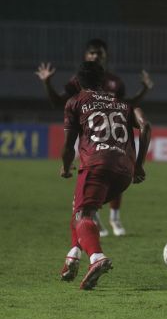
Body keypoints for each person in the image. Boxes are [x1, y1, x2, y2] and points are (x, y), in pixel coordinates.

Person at [35, 38, 154, 237]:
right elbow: (59, 101)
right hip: (90, 134)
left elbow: (126, 106)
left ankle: (111, 219)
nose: (95, 56)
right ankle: (94, 219)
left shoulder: (115, 82)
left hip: (111, 134)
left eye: (99, 53)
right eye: (92, 53)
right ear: (86, 56)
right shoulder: (78, 80)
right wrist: (47, 83)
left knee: (105, 170)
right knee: (107, 169)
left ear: (105, 56)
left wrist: (143, 90)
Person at [59, 61, 151, 290]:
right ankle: (72, 256)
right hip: (124, 172)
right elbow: (146, 126)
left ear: (78, 82)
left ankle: (97, 257)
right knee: (79, 207)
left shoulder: (75, 102)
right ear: (102, 81)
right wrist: (139, 165)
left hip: (96, 164)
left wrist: (65, 166)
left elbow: (69, 145)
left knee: (84, 214)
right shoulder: (123, 104)